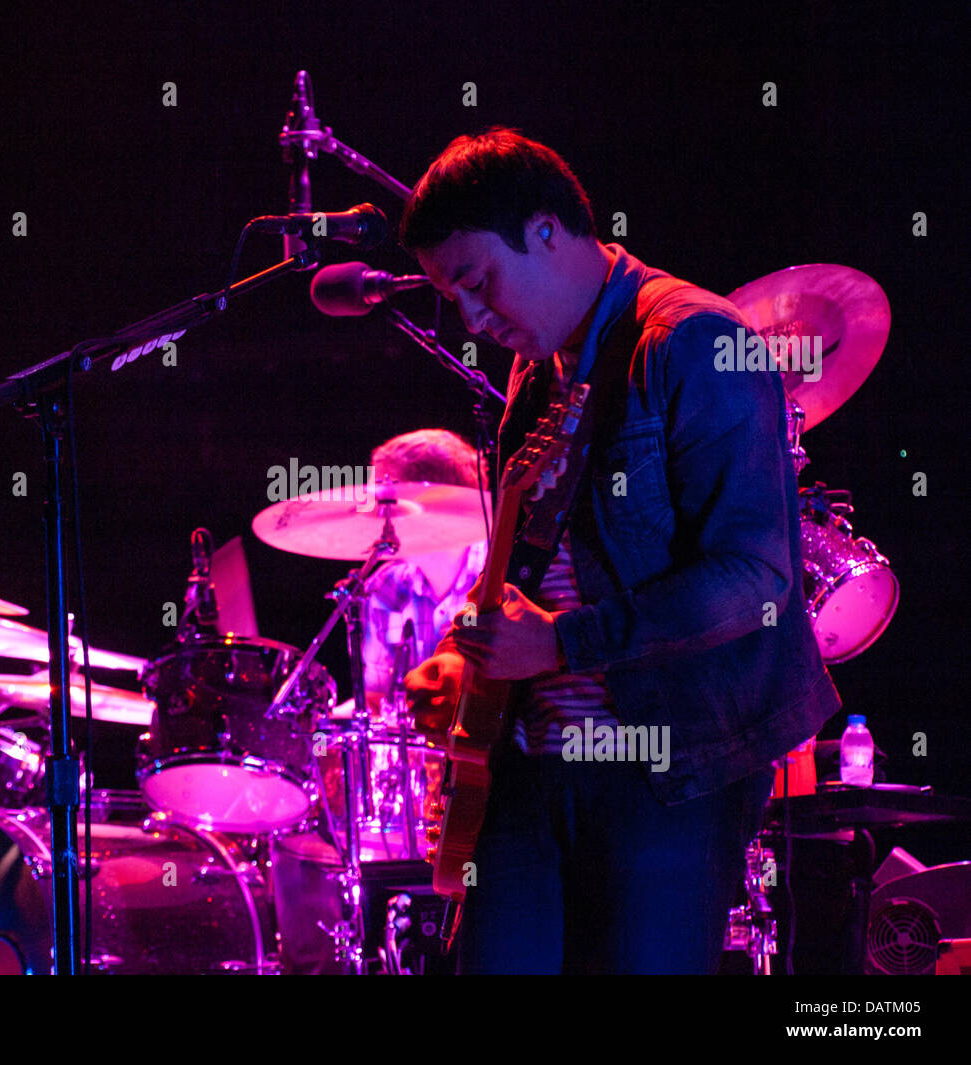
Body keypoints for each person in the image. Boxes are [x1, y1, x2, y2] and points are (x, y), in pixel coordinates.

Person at [399, 128, 841, 974]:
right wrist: (483, 661)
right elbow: (547, 568)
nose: (473, 318)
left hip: (665, 768)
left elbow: (757, 579)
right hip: (536, 763)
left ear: (545, 230)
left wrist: (562, 644)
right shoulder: (541, 370)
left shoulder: (697, 339)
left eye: (477, 282)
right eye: (453, 297)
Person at [359, 428, 488, 715]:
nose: (377, 514)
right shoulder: (385, 588)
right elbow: (376, 705)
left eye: (388, 501)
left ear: (437, 502)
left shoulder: (500, 575)